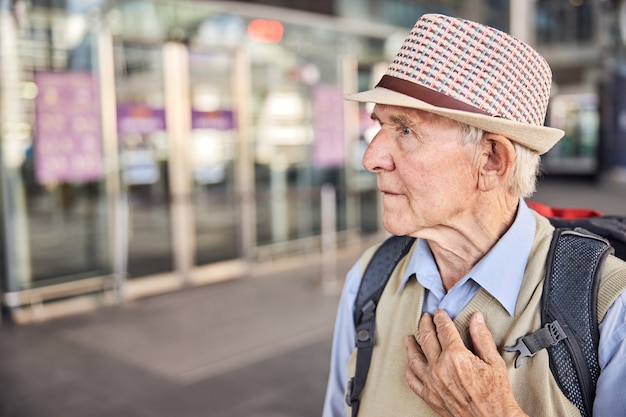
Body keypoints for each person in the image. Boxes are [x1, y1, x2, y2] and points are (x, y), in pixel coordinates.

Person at [322, 13, 626, 417]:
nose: (371, 157)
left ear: (491, 161)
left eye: (406, 130)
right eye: (378, 125)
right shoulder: (369, 279)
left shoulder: (610, 307)